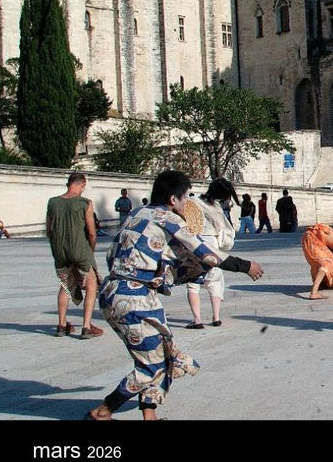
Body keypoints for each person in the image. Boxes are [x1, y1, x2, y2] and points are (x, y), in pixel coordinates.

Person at [85, 170, 263, 421]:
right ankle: (102, 412)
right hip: (133, 300)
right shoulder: (168, 219)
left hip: (117, 293)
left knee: (162, 354)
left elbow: (111, 255)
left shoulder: (136, 214)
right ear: (173, 200)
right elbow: (205, 252)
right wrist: (246, 266)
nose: (187, 203)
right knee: (151, 365)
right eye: (186, 197)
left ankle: (150, 415)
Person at [46, 173, 103, 339]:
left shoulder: (53, 202)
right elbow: (92, 233)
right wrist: (89, 251)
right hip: (79, 248)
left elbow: (49, 230)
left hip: (59, 249)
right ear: (82, 185)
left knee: (66, 284)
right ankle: (86, 326)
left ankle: (62, 325)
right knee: (91, 283)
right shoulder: (85, 203)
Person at [185, 178, 240, 328]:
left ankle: (197, 320)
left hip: (195, 243)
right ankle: (216, 317)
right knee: (215, 282)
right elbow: (225, 232)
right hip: (213, 244)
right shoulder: (216, 208)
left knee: (193, 283)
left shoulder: (192, 202)